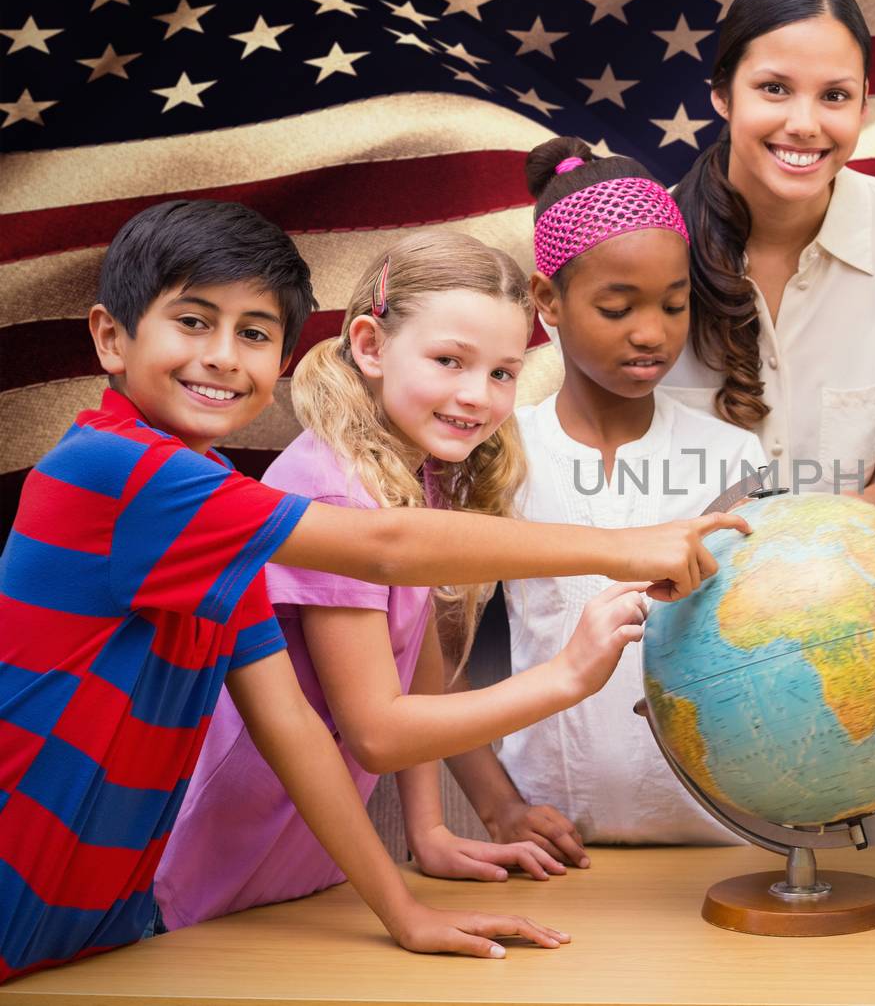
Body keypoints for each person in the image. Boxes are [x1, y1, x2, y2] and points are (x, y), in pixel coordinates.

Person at [0, 200, 745, 981]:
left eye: (254, 334)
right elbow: (387, 554)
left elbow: (292, 724)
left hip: (103, 916)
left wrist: (405, 910)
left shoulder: (220, 512)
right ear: (111, 337)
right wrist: (621, 560)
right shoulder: (111, 469)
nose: (222, 356)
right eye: (193, 321)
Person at [155, 229, 659, 928]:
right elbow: (378, 732)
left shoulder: (416, 470)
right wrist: (566, 675)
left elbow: (414, 646)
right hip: (212, 871)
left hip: (309, 870)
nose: (475, 395)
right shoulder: (329, 488)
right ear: (370, 346)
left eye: (502, 372)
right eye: (449, 360)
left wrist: (427, 827)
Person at [452, 139, 765, 851]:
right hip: (565, 846)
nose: (651, 332)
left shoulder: (731, 456)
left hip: (727, 839)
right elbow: (435, 656)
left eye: (674, 304)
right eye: (618, 307)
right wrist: (498, 806)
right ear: (547, 301)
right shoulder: (501, 455)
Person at [665, 0, 875, 505]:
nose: (804, 124)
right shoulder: (635, 241)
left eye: (834, 96)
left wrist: (792, 568)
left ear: (864, 104)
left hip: (853, 577)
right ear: (722, 95)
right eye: (774, 89)